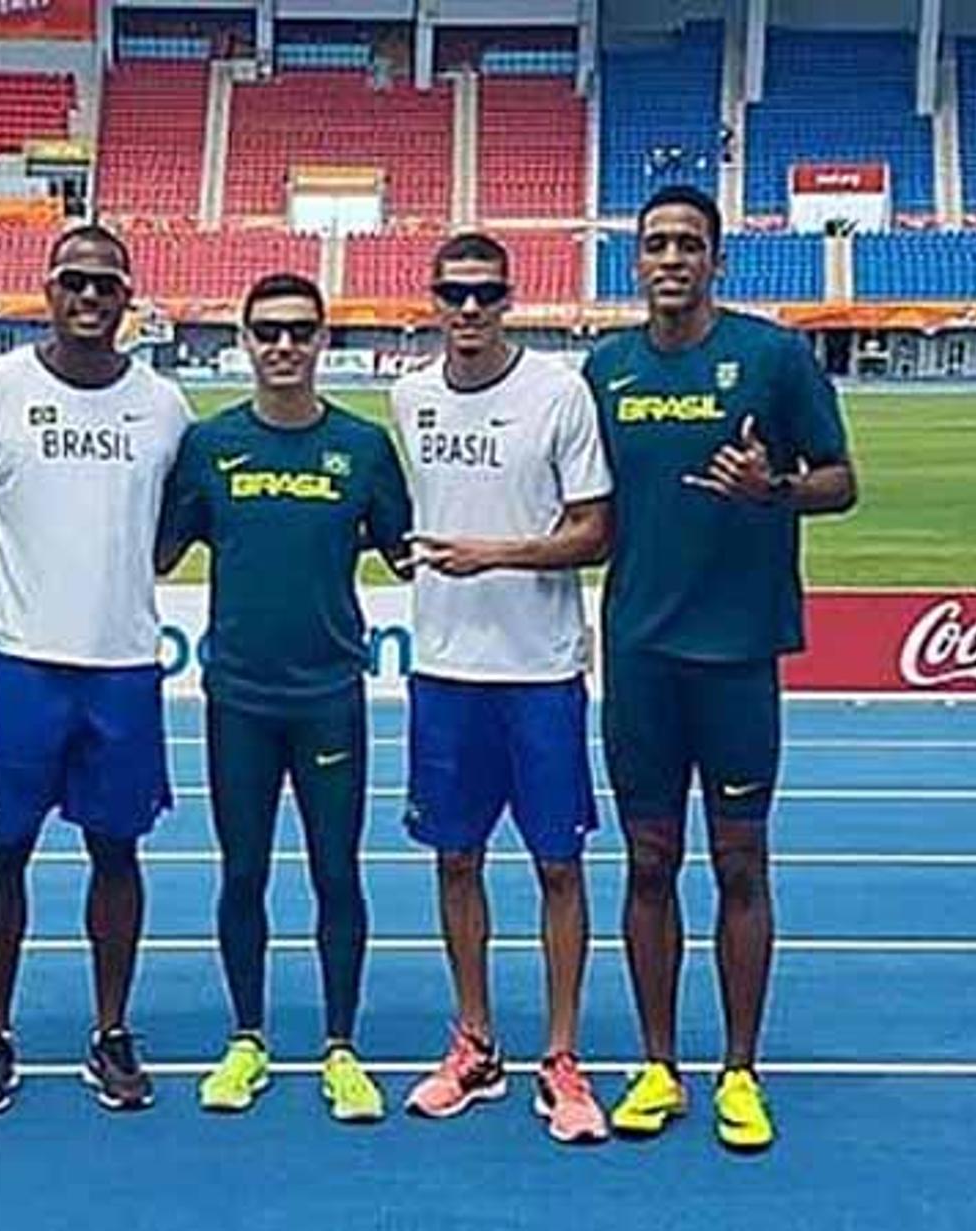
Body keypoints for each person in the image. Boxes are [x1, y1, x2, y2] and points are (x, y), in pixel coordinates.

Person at [584, 185, 856, 1152]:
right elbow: (588, 509)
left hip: (738, 655)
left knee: (741, 861)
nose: (670, 259)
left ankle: (741, 1072)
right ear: (636, 260)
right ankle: (657, 1066)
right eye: (655, 243)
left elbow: (841, 480)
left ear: (715, 260)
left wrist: (772, 488)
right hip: (641, 658)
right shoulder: (605, 368)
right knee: (649, 862)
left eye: (688, 244)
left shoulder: (772, 356)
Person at [156, 273, 413, 1122]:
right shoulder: (207, 445)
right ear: (245, 338)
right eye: (267, 331)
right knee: (243, 872)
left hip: (330, 695)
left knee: (338, 872)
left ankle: (342, 1048)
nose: (283, 347)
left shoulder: (364, 448)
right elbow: (151, 550)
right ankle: (247, 1039)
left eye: (300, 332)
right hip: (238, 697)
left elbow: (413, 551)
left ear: (322, 341)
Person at [0, 224, 192, 1115]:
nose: (89, 298)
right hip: (22, 665)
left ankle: (110, 1028)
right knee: (3, 848)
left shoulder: (166, 406)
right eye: (73, 282)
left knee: (116, 850)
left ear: (129, 297)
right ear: (46, 290)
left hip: (124, 666)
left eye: (105, 285)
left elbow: (176, 522)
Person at [391, 232, 615, 1145]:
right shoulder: (409, 397)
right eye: (455, 294)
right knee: (455, 859)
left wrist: (498, 555)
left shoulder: (560, 392)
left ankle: (560, 1055)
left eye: (486, 295)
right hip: (445, 669)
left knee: (558, 864)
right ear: (434, 301)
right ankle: (475, 1042)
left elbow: (594, 530)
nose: (471, 310)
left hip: (540, 670)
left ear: (509, 299)